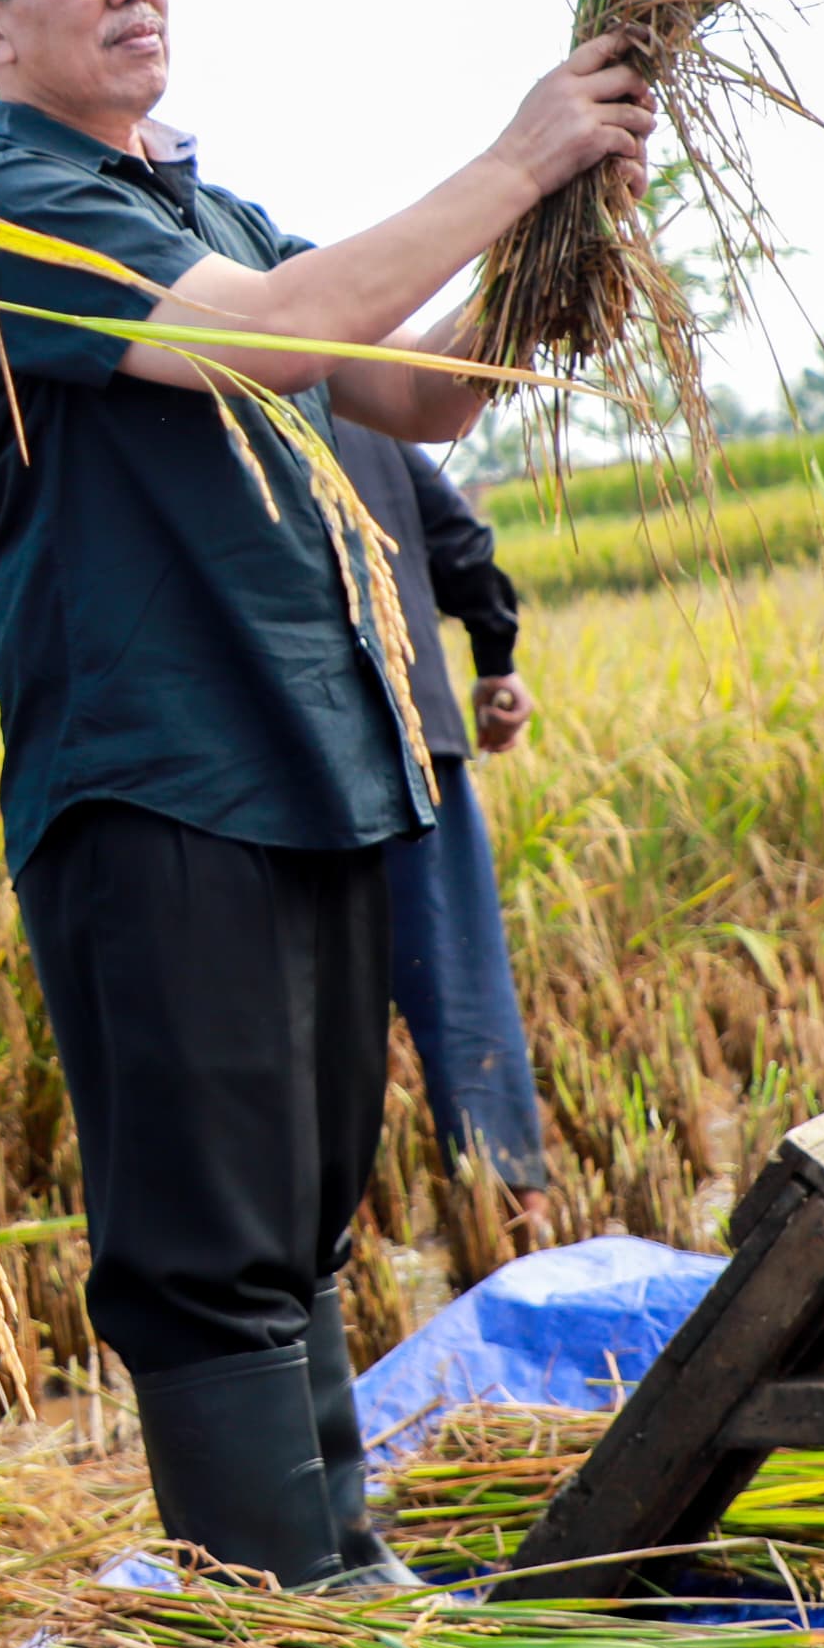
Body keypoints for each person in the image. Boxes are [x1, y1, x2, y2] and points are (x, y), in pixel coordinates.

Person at [0, 0, 647, 1588]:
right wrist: (509, 151)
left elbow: (419, 394)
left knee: (303, 1207)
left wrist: (560, 223)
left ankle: (339, 1572)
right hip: (165, 784)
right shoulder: (10, 208)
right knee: (209, 1231)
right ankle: (278, 1619)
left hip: (313, 764)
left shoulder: (205, 199)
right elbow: (267, 333)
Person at [329, 424, 553, 1209]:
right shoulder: (353, 390)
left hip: (289, 762)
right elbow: (460, 542)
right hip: (413, 732)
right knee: (464, 996)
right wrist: (497, 660)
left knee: (313, 1021)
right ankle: (517, 1215)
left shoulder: (210, 379)